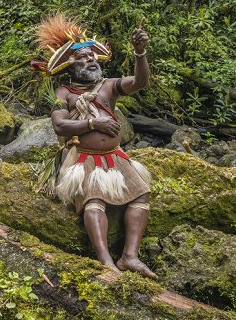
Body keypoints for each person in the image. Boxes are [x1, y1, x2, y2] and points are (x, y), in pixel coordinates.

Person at [35, 14, 157, 279]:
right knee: (94, 199)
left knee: (141, 193)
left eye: (91, 55)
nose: (89, 59)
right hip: (82, 159)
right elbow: (60, 126)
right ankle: (105, 261)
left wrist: (140, 53)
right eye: (81, 57)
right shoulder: (63, 93)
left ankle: (129, 257)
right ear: (69, 65)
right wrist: (93, 124)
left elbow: (140, 83)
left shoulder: (109, 86)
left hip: (115, 156)